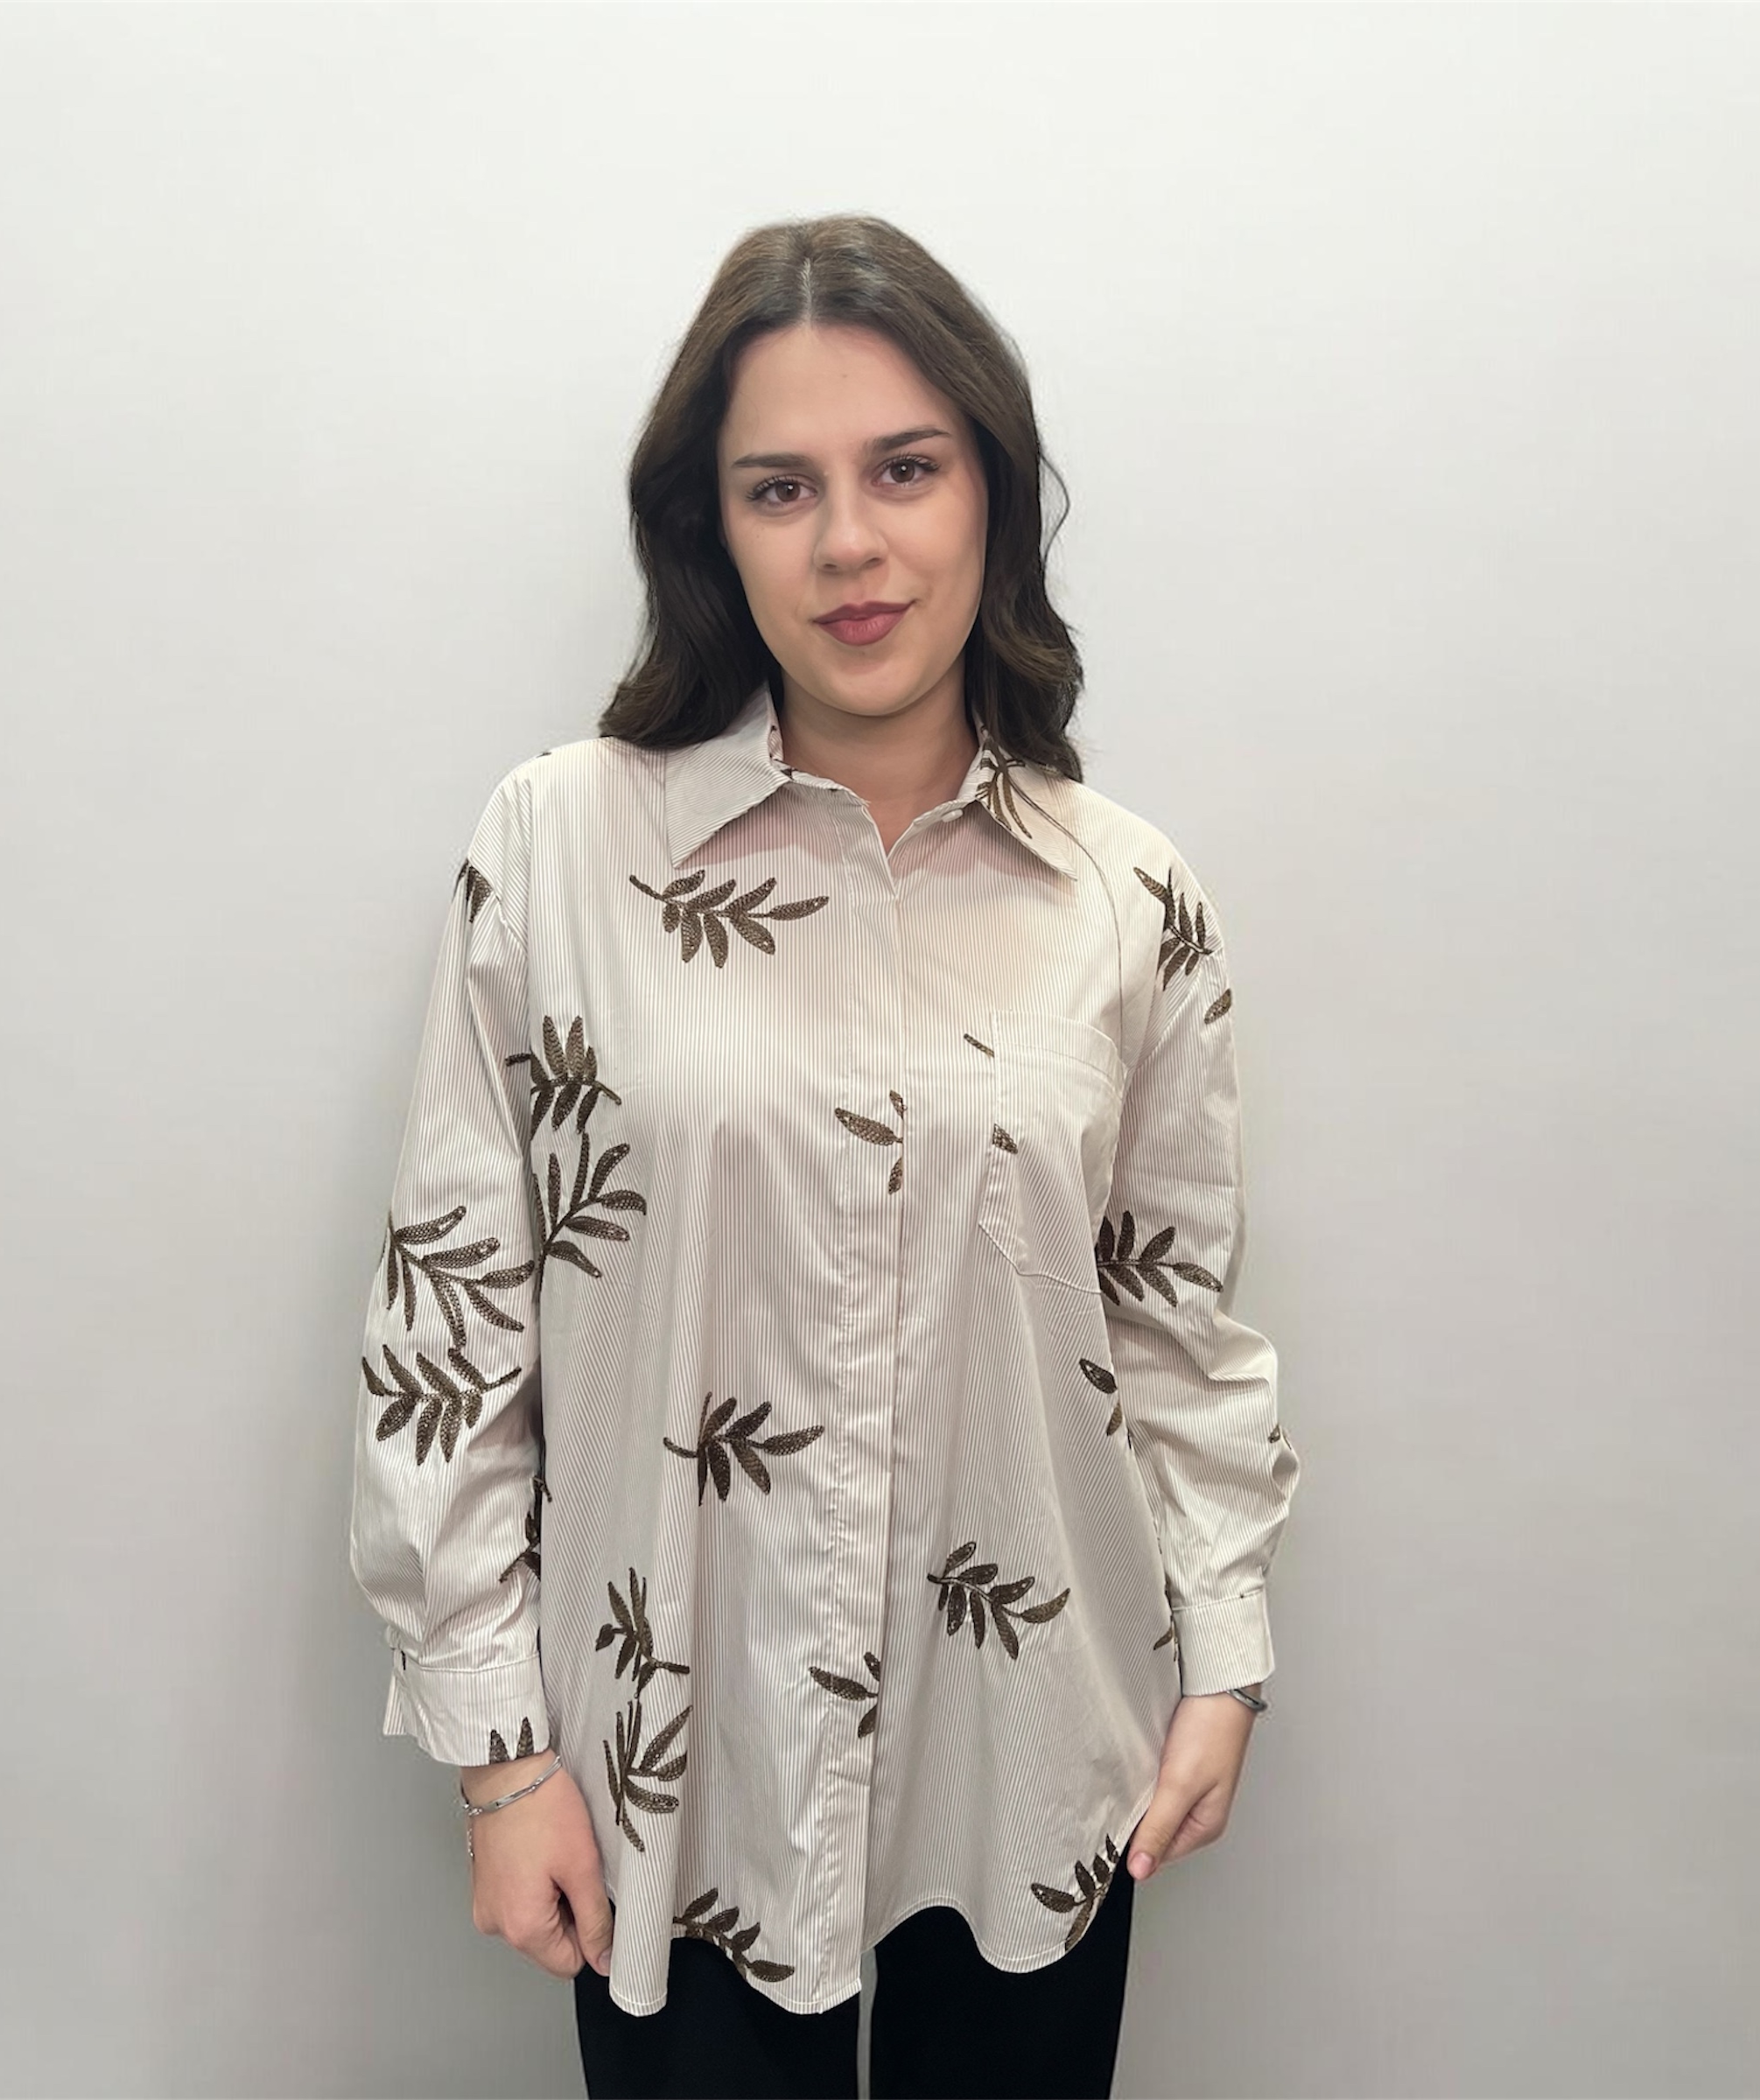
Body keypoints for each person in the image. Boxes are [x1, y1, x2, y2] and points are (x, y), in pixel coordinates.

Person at [347, 213, 1301, 2100]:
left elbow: (1173, 1322)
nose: (850, 543)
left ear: (992, 496)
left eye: (906, 470)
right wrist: (501, 1759)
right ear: (709, 529)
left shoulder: (1128, 901)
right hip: (671, 1767)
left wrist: (1224, 1653)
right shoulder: (561, 849)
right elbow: (451, 1317)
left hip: (1030, 1743)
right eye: (781, 487)